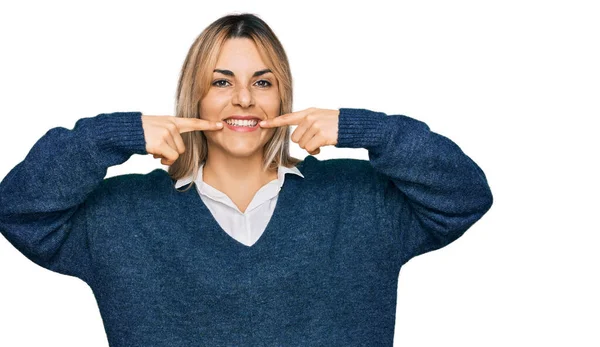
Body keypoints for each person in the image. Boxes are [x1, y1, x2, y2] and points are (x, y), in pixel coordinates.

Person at [0, 12, 493, 347]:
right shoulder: (119, 213)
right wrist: (113, 135)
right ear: (194, 98)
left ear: (283, 96)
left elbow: (464, 194)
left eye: (262, 82)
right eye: (221, 82)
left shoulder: (361, 199)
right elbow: (19, 210)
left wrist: (369, 129)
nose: (243, 99)